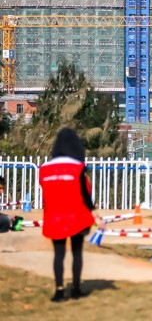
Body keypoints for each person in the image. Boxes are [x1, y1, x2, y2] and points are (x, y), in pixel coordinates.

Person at [39, 128, 95, 302]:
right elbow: (86, 193)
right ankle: (76, 288)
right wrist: (94, 213)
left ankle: (59, 290)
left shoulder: (44, 169)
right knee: (77, 253)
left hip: (54, 217)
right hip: (76, 216)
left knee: (59, 254)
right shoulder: (78, 168)